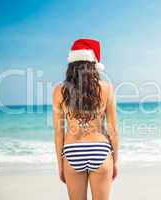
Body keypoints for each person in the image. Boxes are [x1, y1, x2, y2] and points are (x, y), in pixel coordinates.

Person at [52, 38, 119, 200]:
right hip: (100, 150)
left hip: (73, 151)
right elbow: (113, 130)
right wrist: (114, 161)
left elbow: (59, 132)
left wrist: (61, 165)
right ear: (94, 64)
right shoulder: (106, 89)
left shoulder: (59, 91)